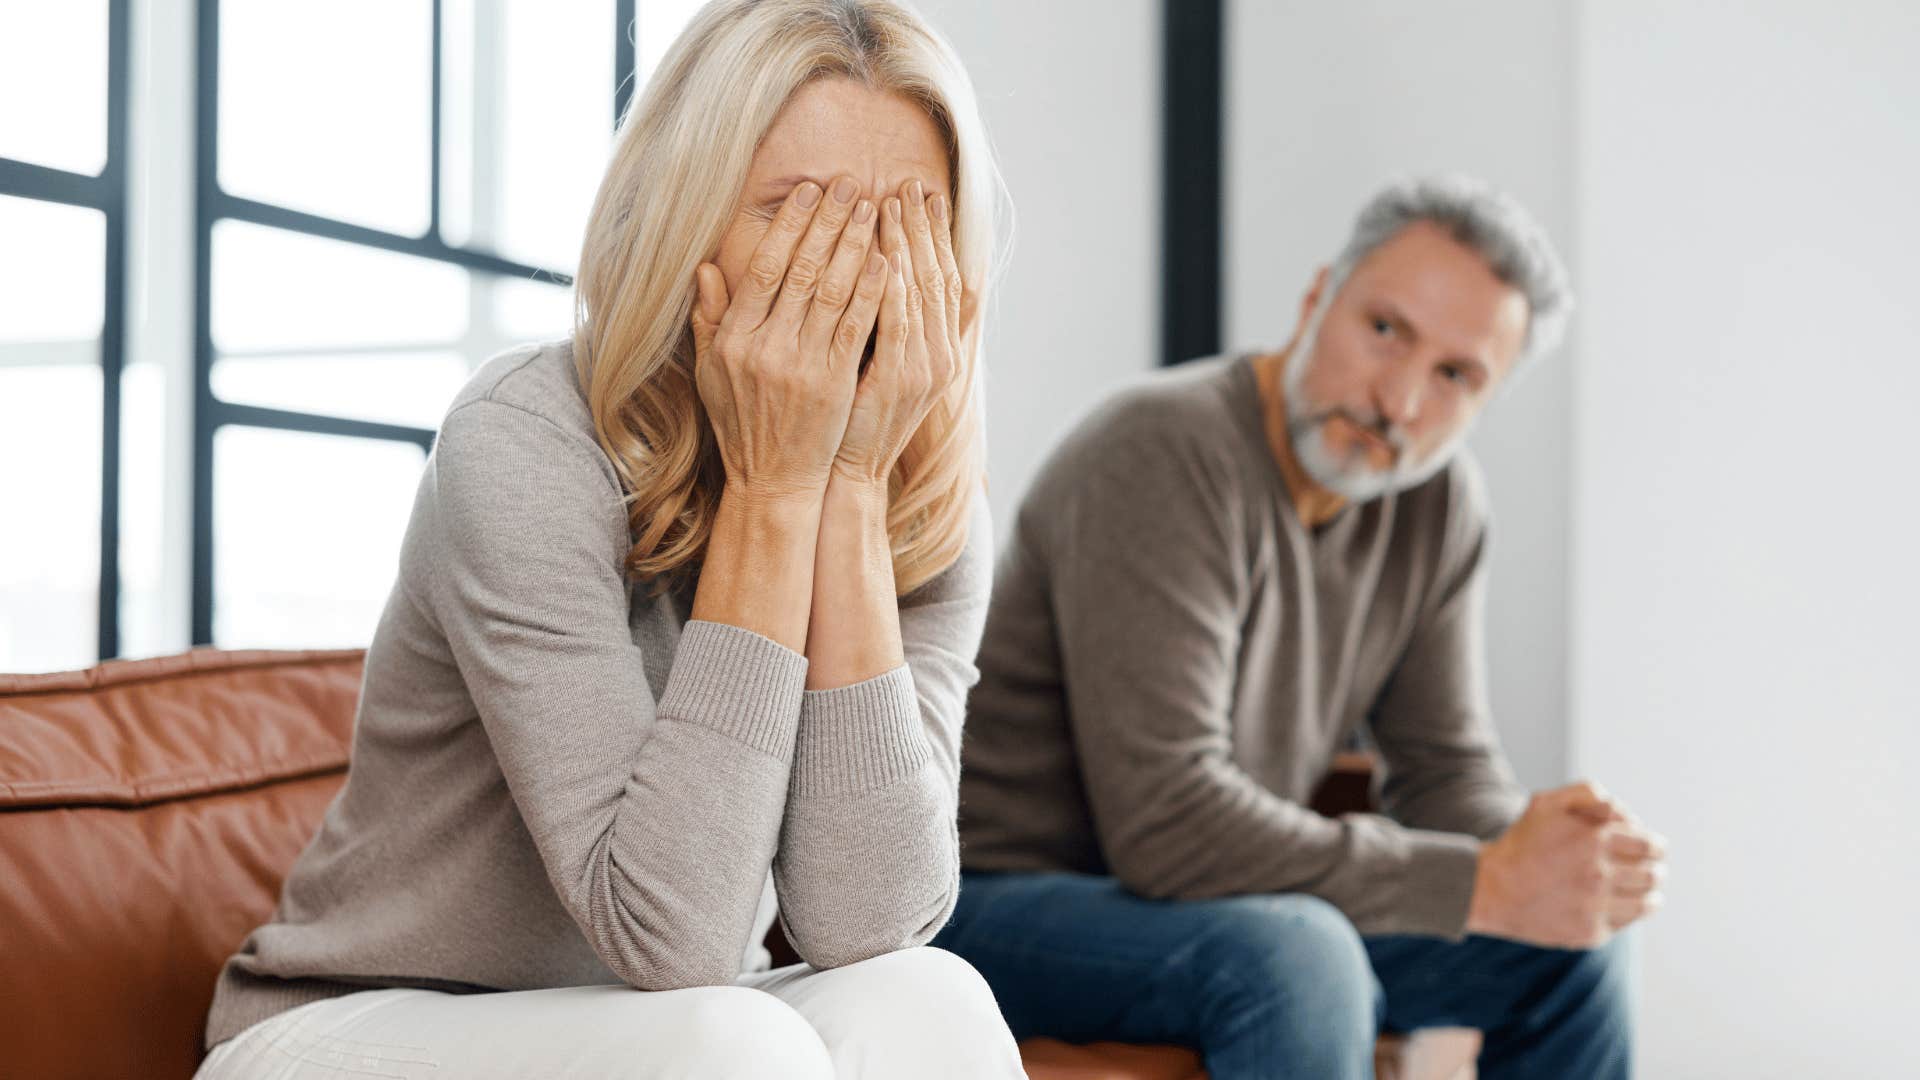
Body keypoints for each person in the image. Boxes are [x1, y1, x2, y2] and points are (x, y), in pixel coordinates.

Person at [196, 2, 1022, 1077]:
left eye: (901, 226)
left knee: (930, 994)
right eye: (799, 212)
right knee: (729, 1038)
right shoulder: (525, 441)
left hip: (649, 1027)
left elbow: (872, 924)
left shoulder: (924, 497)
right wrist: (775, 494)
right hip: (348, 1027)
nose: (845, 277)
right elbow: (671, 936)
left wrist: (851, 490)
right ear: (688, 220)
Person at [935, 175, 1666, 1079]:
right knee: (1300, 955)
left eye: (1455, 375)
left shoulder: (1435, 502)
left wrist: (1546, 856)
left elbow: (1443, 771)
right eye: (1386, 330)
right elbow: (1168, 826)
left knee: (1575, 945)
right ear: (1319, 297)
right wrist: (1485, 883)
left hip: (1223, 903)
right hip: (1008, 904)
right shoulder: (1161, 452)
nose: (1397, 401)